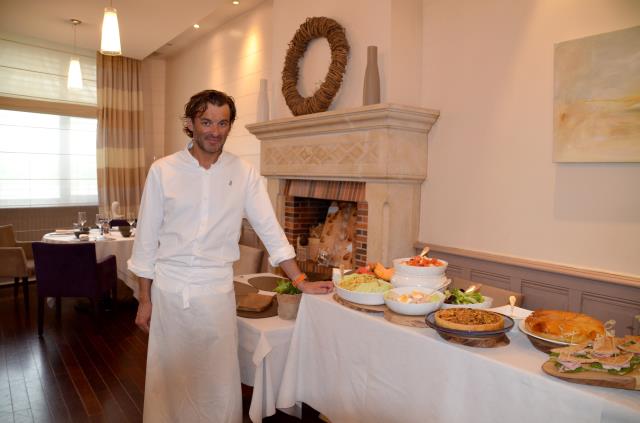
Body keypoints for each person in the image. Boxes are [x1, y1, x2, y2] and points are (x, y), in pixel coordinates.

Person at [128, 89, 333, 422]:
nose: (215, 130)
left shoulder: (244, 172)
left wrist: (300, 279)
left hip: (216, 294)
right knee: (170, 381)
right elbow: (147, 241)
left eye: (223, 123)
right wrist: (144, 298)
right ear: (191, 124)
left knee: (216, 383)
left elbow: (269, 229)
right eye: (206, 121)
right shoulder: (163, 171)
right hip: (169, 292)